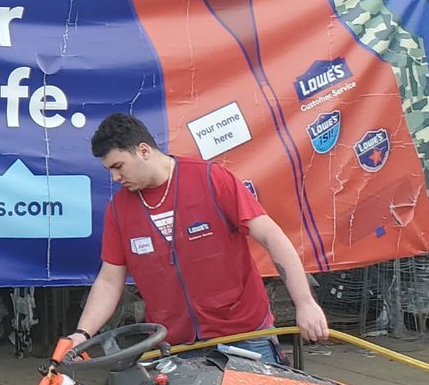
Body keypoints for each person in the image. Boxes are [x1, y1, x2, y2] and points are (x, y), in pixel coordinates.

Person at [67, 113, 329, 363]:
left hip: (245, 336)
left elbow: (273, 237)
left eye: (118, 166)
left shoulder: (211, 178)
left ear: (144, 150)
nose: (114, 177)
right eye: (109, 170)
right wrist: (82, 334)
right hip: (175, 345)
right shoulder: (118, 210)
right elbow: (110, 280)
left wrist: (305, 304)